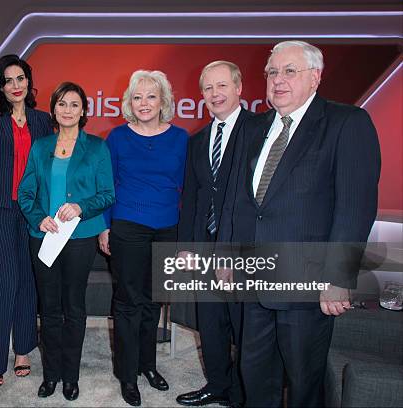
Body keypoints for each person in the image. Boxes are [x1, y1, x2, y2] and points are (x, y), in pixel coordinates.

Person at [218, 41, 380, 407]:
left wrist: (339, 278)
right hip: (251, 276)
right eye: (272, 72)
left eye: (290, 71)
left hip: (308, 283)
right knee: (254, 373)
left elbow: (355, 208)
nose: (278, 80)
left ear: (316, 77)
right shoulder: (252, 127)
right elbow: (236, 202)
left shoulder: (347, 123)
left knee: (305, 381)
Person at [18, 81, 114, 401]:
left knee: (74, 306)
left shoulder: (97, 147)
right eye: (62, 104)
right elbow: (26, 193)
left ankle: (70, 376)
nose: (68, 110)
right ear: (53, 110)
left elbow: (107, 194)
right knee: (49, 307)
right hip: (44, 236)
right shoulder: (40, 146)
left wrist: (80, 207)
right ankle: (51, 375)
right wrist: (38, 218)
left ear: (83, 110)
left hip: (80, 236)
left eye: (74, 104)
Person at [98, 70, 188, 406]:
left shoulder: (180, 138)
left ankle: (148, 365)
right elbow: (106, 187)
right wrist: (105, 227)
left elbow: (186, 189)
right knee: (128, 301)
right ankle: (127, 373)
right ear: (129, 103)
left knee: (154, 302)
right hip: (128, 226)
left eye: (151, 96)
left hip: (167, 227)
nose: (144, 103)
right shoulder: (117, 137)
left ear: (163, 100)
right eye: (138, 97)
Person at [175, 61, 251, 408]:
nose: (215, 94)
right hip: (204, 244)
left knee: (245, 326)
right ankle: (218, 385)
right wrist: (188, 246)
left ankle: (242, 392)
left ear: (238, 87)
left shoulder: (260, 130)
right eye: (208, 88)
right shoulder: (198, 141)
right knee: (210, 321)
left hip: (243, 246)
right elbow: (191, 196)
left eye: (222, 86)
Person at [0, 54, 52, 387]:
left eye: (21, 79)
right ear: (0, 86)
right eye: (9, 81)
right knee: (7, 280)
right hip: (0, 209)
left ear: (28, 82)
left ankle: (23, 350)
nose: (16, 86)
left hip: (33, 211)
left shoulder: (42, 120)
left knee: (30, 280)